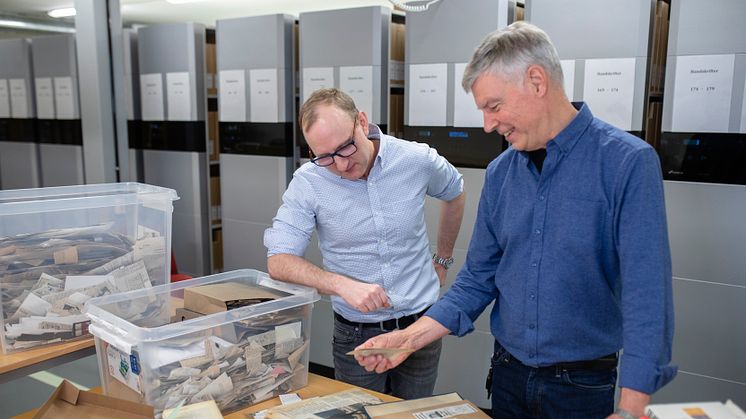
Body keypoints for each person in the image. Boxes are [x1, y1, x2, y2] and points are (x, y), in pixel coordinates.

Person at [355, 21, 676, 419]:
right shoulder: (501, 172)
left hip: (581, 387)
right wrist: (408, 338)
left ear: (537, 81)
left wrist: (631, 409)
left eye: (494, 106)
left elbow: (648, 297)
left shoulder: (627, 163)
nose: (489, 124)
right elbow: (477, 277)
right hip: (507, 376)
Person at [264, 88, 465, 399]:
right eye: (325, 157)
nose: (341, 165)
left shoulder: (415, 159)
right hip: (355, 335)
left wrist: (444, 259)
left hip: (420, 326)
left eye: (345, 148)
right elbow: (278, 260)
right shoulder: (308, 182)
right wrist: (341, 285)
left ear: (362, 121)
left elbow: (455, 193)